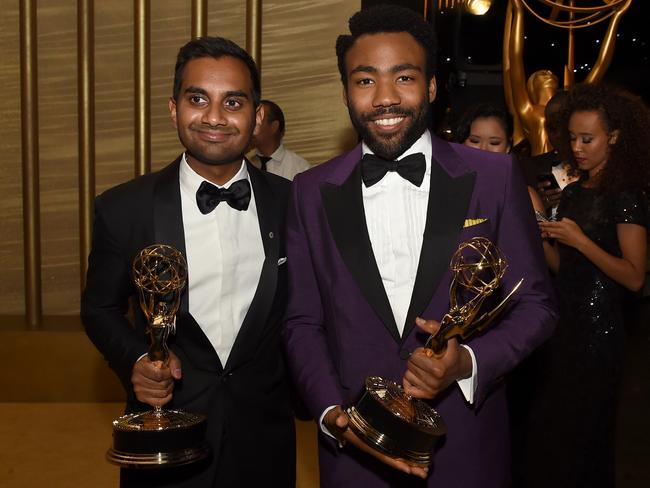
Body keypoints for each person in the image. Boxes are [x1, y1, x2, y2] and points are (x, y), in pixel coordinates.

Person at [282, 5, 557, 487]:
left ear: (431, 87)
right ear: (346, 91)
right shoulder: (309, 190)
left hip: (465, 448)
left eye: (403, 77)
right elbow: (302, 322)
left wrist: (467, 363)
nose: (385, 98)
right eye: (365, 81)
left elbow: (537, 305)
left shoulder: (493, 178)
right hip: (354, 454)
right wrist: (331, 413)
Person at [81, 37, 295, 487]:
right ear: (173, 108)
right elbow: (99, 309)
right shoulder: (123, 208)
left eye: (232, 102)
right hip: (163, 437)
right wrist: (138, 357)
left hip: (263, 440)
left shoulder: (293, 205)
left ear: (256, 117)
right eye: (198, 98)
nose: (214, 117)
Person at [522, 83, 649, 488]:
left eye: (587, 139)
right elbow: (565, 267)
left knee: (588, 437)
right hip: (563, 327)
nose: (577, 147)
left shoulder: (625, 197)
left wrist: (579, 240)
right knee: (556, 435)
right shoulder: (575, 191)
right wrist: (540, 236)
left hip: (601, 333)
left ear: (613, 137)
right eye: (572, 137)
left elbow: (634, 276)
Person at [454, 102, 546, 225]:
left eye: (494, 143)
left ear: (508, 147)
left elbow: (541, 243)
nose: (483, 150)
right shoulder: (445, 191)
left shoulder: (525, 197)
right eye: (474, 141)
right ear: (461, 144)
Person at [251, 99, 310, 180]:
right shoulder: (244, 164)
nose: (250, 127)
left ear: (274, 127)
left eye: (256, 121)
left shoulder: (299, 168)